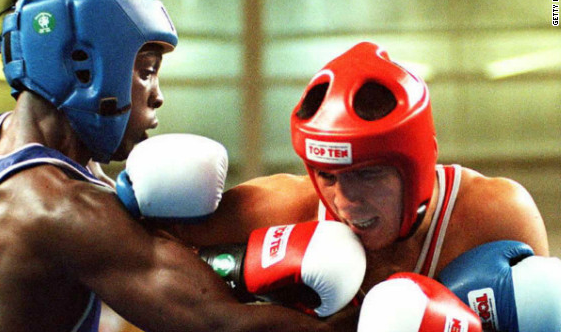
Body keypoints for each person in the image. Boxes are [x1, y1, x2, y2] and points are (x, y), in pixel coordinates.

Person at [0, 0, 359, 332]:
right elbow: (219, 324)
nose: (158, 95)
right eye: (146, 71)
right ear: (85, 71)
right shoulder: (60, 210)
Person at [158, 41, 560, 330]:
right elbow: (141, 253)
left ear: (417, 165)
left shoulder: (493, 215)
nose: (345, 200)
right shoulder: (277, 209)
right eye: (328, 177)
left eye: (368, 174)